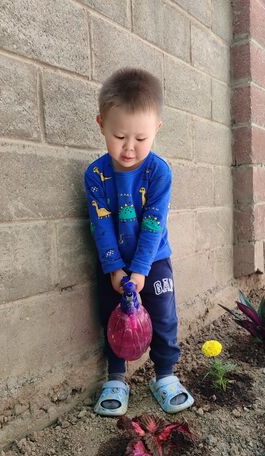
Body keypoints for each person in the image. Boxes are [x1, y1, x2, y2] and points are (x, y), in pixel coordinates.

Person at [84, 67, 194, 416]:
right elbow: (100, 226)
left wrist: (142, 269)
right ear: (101, 123)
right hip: (112, 264)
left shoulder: (159, 172)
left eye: (141, 139)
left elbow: (153, 223)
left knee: (163, 317)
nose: (129, 148)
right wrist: (115, 269)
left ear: (156, 130)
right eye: (119, 136)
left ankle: (165, 376)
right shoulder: (96, 175)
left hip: (153, 260)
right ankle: (116, 378)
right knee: (113, 317)